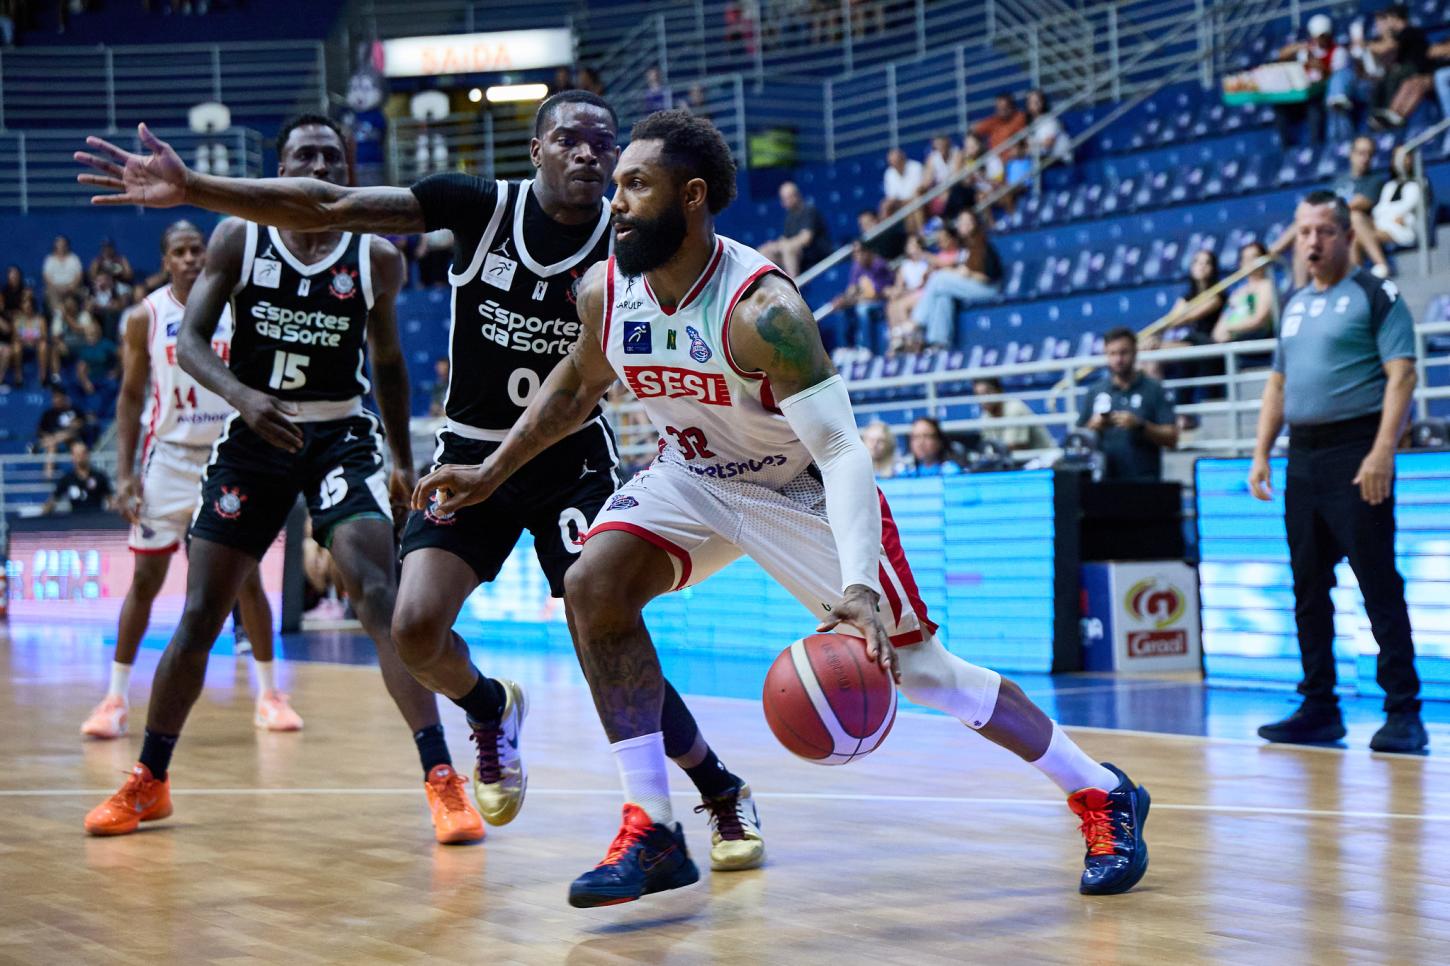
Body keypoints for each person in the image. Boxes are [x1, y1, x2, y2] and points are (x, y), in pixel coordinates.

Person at [413, 110, 1151, 906]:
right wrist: (491, 470)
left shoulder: (763, 311)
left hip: (795, 488)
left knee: (925, 675)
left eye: (636, 184)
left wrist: (859, 586)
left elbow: (842, 451)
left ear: (691, 197)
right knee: (593, 584)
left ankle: (1100, 789)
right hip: (691, 476)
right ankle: (652, 826)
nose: (615, 202)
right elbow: (575, 386)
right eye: (617, 184)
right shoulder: (606, 291)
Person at [80, 96, 766, 870]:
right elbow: (327, 205)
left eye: (602, 144)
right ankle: (488, 707)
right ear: (535, 149)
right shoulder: (478, 205)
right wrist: (195, 188)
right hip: (466, 452)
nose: (587, 154)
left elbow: (707, 285)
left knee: (601, 630)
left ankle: (716, 788)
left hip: (566, 457)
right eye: (569, 139)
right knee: (412, 628)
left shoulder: (630, 237)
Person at [74, 115, 487, 845]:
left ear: (347, 171)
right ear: (280, 167)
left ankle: (441, 777)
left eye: (331, 156)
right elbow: (191, 342)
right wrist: (243, 397)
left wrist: (400, 457)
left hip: (340, 434)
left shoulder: (375, 256)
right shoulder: (240, 237)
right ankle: (149, 778)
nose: (318, 166)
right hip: (254, 432)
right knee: (202, 611)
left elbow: (389, 362)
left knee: (379, 594)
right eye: (304, 155)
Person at [78, 221, 300, 742]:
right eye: (179, 251)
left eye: (196, 248)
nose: (190, 258)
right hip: (170, 459)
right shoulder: (146, 315)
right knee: (146, 581)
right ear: (165, 261)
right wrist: (125, 475)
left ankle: (270, 694)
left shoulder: (239, 306)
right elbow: (130, 396)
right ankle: (114, 698)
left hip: (230, 458)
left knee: (246, 577)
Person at [1249, 190, 1425, 753]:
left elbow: (1402, 376)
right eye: (1304, 232)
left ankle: (1403, 712)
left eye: (1324, 231)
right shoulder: (1295, 302)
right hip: (1303, 457)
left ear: (1348, 236)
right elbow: (1278, 383)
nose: (1312, 242)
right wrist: (1261, 452)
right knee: (1308, 587)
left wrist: (1382, 451)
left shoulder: (1375, 293)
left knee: (1377, 583)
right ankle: (1319, 708)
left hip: (1356, 451)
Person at [1077, 328, 1178, 482]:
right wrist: (1094, 426)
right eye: (1112, 354)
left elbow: (1172, 438)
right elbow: (1078, 439)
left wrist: (1140, 426)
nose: (1118, 359)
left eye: (1124, 353)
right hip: (1104, 482)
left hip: (1145, 483)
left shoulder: (1154, 389)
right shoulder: (1095, 391)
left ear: (1135, 352)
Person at [910, 209, 1003, 350]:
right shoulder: (964, 246)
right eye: (961, 221)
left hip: (988, 288)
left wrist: (970, 274)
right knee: (943, 295)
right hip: (971, 287)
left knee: (939, 278)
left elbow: (990, 276)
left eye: (967, 221)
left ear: (974, 224)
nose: (963, 224)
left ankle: (916, 323)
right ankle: (938, 343)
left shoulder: (982, 244)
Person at [1332, 135, 1392, 278]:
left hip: (1365, 226)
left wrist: (1328, 211)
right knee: (1302, 226)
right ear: (1351, 154)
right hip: (1337, 226)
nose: (1365, 158)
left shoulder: (1375, 180)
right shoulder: (1339, 181)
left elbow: (1360, 203)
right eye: (1361, 153)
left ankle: (1381, 265)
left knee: (1355, 217)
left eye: (1369, 154)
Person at [824, 240, 892, 352]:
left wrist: (851, 301)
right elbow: (852, 290)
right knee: (841, 309)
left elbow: (876, 294)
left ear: (868, 252)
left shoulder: (879, 265)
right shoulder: (857, 267)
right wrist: (843, 299)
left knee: (862, 309)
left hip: (882, 301)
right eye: (854, 253)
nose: (856, 256)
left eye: (859, 252)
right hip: (863, 300)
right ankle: (845, 348)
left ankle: (867, 349)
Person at [759, 180, 830, 278]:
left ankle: (793, 284)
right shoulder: (790, 216)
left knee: (788, 249)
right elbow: (784, 238)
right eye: (783, 199)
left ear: (796, 196)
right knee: (765, 251)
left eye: (787, 198)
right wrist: (774, 245)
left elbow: (806, 239)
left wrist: (785, 245)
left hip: (814, 255)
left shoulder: (809, 211)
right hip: (798, 256)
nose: (784, 203)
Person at [1213, 241, 1279, 343]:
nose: (1250, 262)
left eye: (1255, 257)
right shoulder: (1237, 293)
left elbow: (1259, 320)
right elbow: (1219, 327)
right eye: (1246, 258)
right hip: (1232, 344)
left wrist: (1229, 328)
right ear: (1241, 263)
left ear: (1264, 260)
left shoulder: (1267, 286)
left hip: (1256, 343)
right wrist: (1220, 335)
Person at [1364, 145, 1422, 258]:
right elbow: (1378, 210)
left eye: (1404, 156)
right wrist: (1391, 215)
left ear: (1412, 159)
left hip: (1405, 231)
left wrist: (1387, 214)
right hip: (1385, 225)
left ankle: (1380, 265)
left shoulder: (1418, 185)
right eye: (1397, 157)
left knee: (1368, 238)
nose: (1400, 161)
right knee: (1358, 235)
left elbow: (1406, 207)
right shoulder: (1389, 186)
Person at [974, 377, 1053, 452]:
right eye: (979, 395)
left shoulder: (1015, 408)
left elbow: (1015, 447)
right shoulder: (986, 416)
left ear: (999, 391)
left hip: (1045, 459)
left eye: (987, 393)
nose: (984, 400)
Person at [884, 233, 931, 355]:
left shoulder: (927, 262)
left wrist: (904, 292)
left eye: (915, 245)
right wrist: (893, 292)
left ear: (920, 246)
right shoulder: (905, 266)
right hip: (909, 294)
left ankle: (910, 342)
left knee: (901, 305)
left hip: (923, 293)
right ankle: (896, 341)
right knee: (891, 305)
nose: (912, 247)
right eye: (910, 245)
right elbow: (898, 287)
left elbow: (924, 285)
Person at [41, 440, 112, 515]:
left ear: (88, 455)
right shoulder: (67, 478)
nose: (80, 457)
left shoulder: (99, 476)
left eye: (83, 454)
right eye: (77, 454)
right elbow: (53, 499)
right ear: (72, 456)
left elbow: (110, 499)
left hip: (97, 517)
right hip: (75, 518)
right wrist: (46, 509)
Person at [33, 384, 85, 476]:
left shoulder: (74, 410)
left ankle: (79, 475)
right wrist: (47, 436)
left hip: (71, 439)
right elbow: (40, 431)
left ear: (64, 398)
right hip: (53, 441)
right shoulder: (48, 413)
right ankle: (48, 476)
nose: (55, 400)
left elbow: (82, 423)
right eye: (54, 397)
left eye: (58, 397)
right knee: (52, 446)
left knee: (72, 441)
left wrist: (76, 424)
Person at [896, 416, 963, 477]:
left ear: (939, 441)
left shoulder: (951, 472)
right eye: (915, 437)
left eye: (926, 436)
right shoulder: (906, 473)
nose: (920, 442)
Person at [880, 147, 927, 232]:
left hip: (919, 201)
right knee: (884, 205)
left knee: (914, 205)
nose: (896, 164)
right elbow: (891, 198)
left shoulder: (916, 166)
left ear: (903, 158)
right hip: (902, 204)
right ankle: (886, 234)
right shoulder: (889, 173)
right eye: (893, 162)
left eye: (897, 161)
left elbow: (920, 190)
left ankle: (921, 232)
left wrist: (906, 202)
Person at [1024, 90, 1071, 168]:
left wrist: (1030, 148)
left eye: (1037, 101)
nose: (1035, 104)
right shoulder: (1030, 124)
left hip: (1060, 160)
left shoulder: (1050, 120)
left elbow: (1048, 144)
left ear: (1043, 102)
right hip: (1043, 159)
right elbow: (1028, 147)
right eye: (1031, 102)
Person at [41, 234, 84, 314]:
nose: (61, 247)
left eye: (63, 245)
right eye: (59, 245)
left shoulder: (74, 259)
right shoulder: (49, 260)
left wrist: (69, 287)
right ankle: (58, 315)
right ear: (55, 246)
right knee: (49, 292)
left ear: (67, 246)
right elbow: (46, 278)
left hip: (71, 287)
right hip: (54, 288)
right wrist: (57, 288)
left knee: (78, 295)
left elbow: (79, 276)